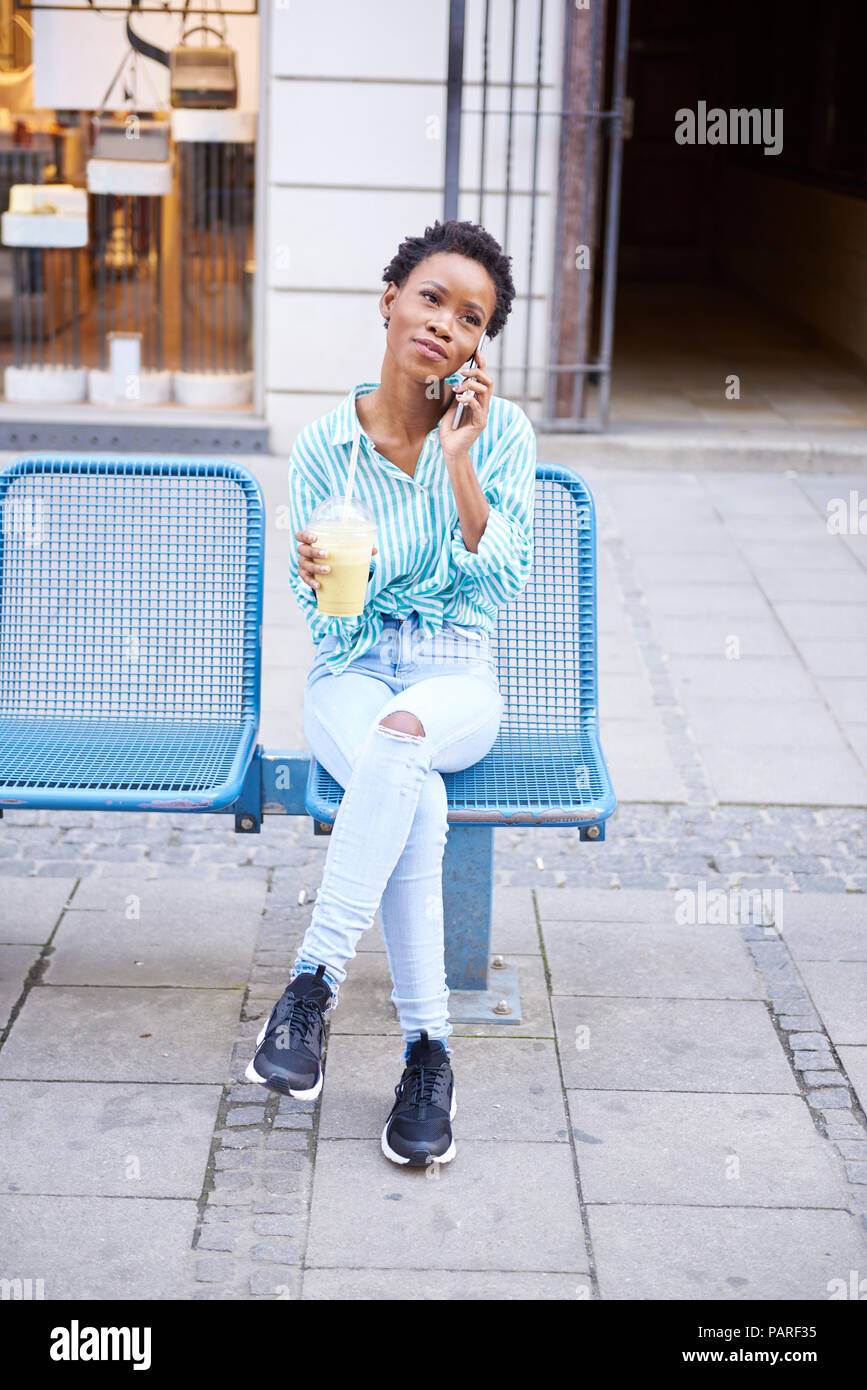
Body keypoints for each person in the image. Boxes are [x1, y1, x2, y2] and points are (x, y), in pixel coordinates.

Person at [247, 218, 537, 1167]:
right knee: (408, 775)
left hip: (456, 674)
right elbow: (331, 622)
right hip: (352, 671)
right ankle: (429, 1051)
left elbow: (494, 587)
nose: (446, 325)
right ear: (390, 301)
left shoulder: (501, 436)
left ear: (476, 344)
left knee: (406, 733)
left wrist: (459, 463)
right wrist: (326, 575)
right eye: (431, 298)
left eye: (470, 318)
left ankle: (311, 984)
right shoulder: (328, 443)